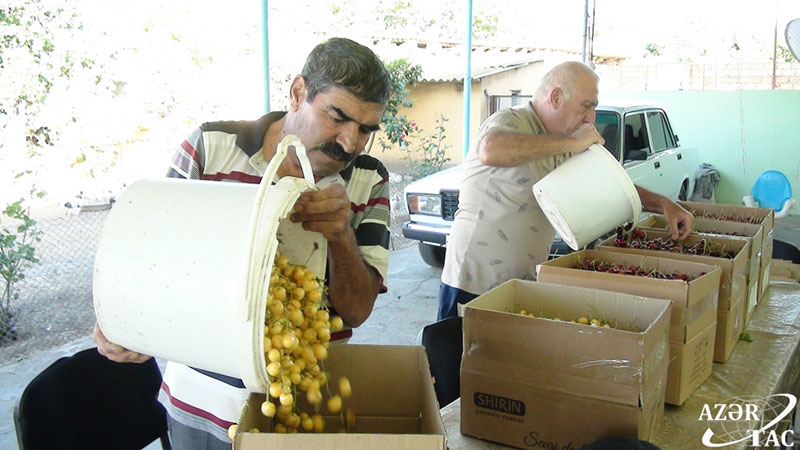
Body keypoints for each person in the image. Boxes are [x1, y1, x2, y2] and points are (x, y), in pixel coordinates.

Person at [93, 37, 392, 449]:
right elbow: (152, 258)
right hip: (202, 404)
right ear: (298, 93)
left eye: (366, 130)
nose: (349, 143)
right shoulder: (209, 148)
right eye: (336, 117)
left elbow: (356, 312)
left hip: (305, 408)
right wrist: (127, 321)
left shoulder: (368, 178)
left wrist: (341, 236)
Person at [438, 61, 693, 321]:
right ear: (556, 97)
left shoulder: (561, 143)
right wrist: (571, 142)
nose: (591, 118)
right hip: (472, 281)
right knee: (456, 347)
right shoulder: (512, 121)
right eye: (586, 106)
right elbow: (490, 150)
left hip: (519, 282)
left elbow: (610, 184)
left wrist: (664, 205)